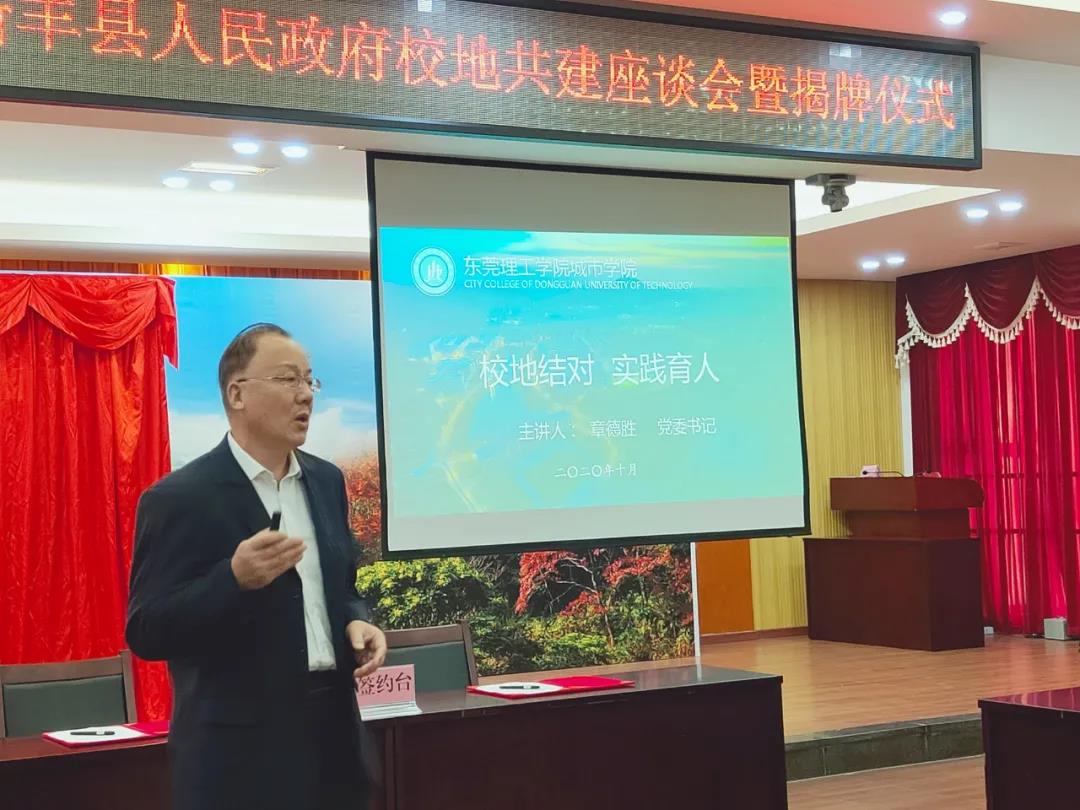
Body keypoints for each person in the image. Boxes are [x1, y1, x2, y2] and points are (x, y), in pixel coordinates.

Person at [126, 322, 387, 810]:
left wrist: (357, 619)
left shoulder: (327, 481)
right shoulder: (179, 498)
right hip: (238, 763)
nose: (305, 394)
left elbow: (342, 587)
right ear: (237, 393)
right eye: (288, 379)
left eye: (309, 380)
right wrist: (232, 579)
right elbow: (147, 629)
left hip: (336, 747)